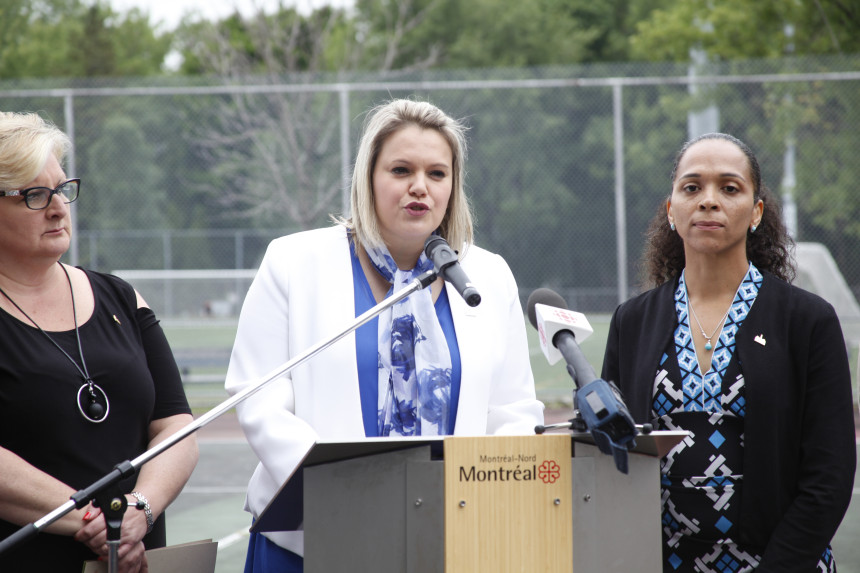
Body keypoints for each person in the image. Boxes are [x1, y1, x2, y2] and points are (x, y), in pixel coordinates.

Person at [225, 98, 544, 571]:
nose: (420, 187)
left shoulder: (488, 276)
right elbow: (260, 400)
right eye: (401, 170)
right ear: (368, 177)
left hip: (450, 539)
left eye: (437, 174)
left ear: (453, 187)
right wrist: (346, 494)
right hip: (313, 538)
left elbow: (512, 410)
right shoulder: (293, 262)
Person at [601, 132, 855, 572]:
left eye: (730, 187)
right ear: (671, 209)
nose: (708, 200)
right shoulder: (632, 322)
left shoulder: (807, 321)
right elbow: (615, 456)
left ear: (757, 212)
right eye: (692, 187)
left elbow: (829, 474)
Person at [0, 111, 199, 572]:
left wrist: (138, 511)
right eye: (33, 195)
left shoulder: (121, 297)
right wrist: (95, 522)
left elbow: (176, 428)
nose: (57, 207)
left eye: (62, 189)